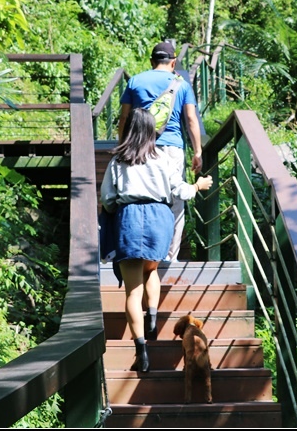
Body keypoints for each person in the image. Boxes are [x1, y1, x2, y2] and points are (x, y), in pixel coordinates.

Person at [101, 108, 213, 372]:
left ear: (129, 129)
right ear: (152, 131)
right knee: (151, 269)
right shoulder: (162, 158)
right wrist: (197, 186)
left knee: (132, 290)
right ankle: (152, 317)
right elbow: (179, 189)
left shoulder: (118, 160)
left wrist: (115, 209)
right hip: (158, 219)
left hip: (129, 217)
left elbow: (107, 200)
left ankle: (141, 350)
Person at [117, 41, 204, 263]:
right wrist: (197, 151)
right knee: (175, 201)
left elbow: (124, 118)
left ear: (151, 61)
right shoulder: (181, 84)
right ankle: (168, 257)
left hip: (140, 146)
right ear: (173, 62)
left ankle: (144, 253)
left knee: (142, 196)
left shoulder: (135, 81)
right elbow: (191, 119)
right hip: (172, 147)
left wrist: (122, 145)